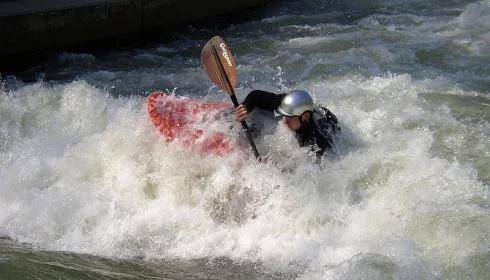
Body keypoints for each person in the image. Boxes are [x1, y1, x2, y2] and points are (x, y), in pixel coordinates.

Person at [235, 89, 341, 158]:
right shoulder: (287, 103)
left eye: (289, 117)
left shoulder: (317, 141)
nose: (284, 120)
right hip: (306, 109)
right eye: (284, 115)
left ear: (305, 118)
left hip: (327, 122)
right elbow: (257, 95)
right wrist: (246, 107)